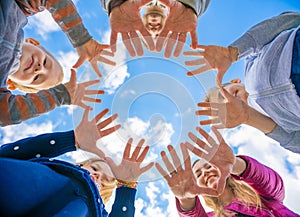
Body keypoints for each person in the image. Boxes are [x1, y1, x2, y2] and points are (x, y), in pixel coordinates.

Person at [0, 107, 153, 217]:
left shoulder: (99, 212)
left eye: (106, 181)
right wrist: (73, 140)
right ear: (80, 166)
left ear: (105, 195)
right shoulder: (50, 167)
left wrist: (127, 187)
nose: (98, 176)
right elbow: (8, 154)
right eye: (95, 168)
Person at [183, 11, 300, 153]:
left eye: (224, 94)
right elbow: (296, 142)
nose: (230, 100)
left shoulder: (250, 62)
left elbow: (292, 19)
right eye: (224, 108)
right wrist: (248, 117)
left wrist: (232, 53)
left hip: (294, 51)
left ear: (235, 81)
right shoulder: (271, 122)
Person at [0, 0, 114, 126]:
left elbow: (4, 114)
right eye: (44, 62)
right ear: (33, 42)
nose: (39, 69)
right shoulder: (19, 10)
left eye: (37, 78)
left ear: (10, 84)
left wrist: (61, 96)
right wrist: (82, 40)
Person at [156, 126, 300, 216]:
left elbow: (272, 183)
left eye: (209, 166)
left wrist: (235, 164)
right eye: (198, 174)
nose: (205, 172)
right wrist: (185, 199)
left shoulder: (259, 197)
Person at [100, 0, 210, 57]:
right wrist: (190, 5)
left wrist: (115, 2)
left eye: (148, 33)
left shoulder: (124, 5)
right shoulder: (188, 7)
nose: (153, 30)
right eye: (158, 34)